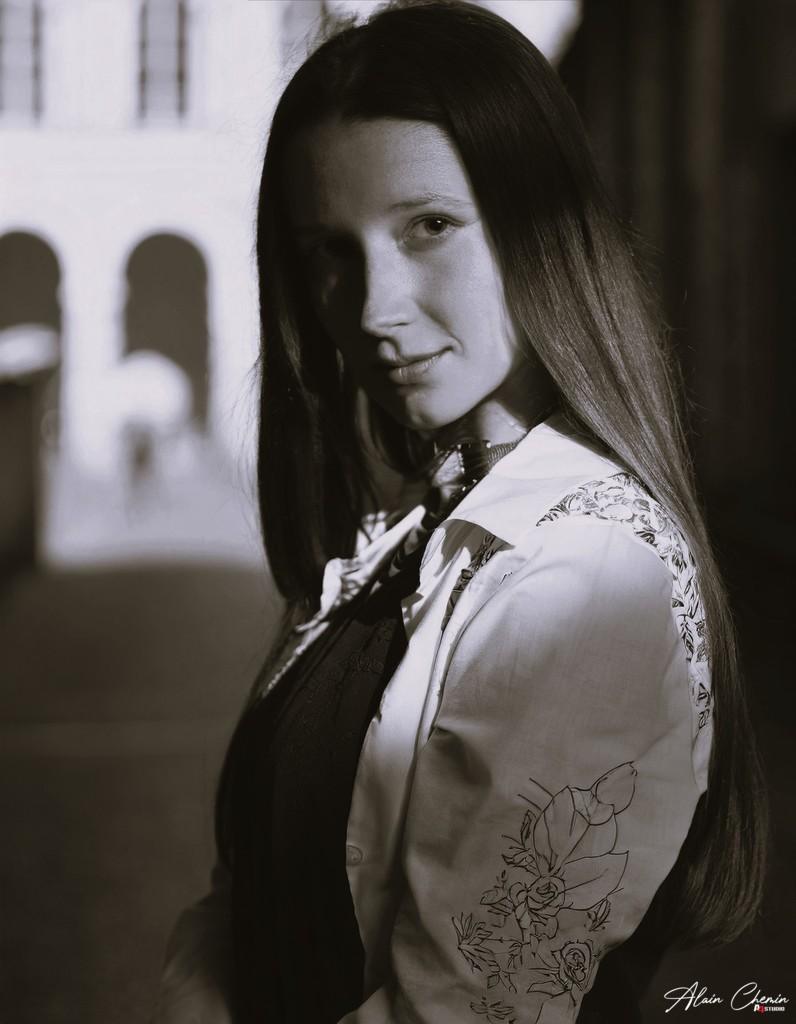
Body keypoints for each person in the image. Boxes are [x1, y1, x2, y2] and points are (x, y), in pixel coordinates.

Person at [154, 2, 767, 1022]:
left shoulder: (586, 572)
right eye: (329, 250)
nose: (372, 308)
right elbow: (246, 900)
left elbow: (460, 1009)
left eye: (428, 227)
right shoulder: (406, 535)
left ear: (541, 222)